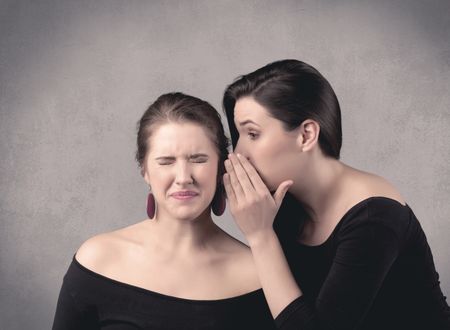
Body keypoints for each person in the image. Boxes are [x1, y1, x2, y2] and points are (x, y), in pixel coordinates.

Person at [222, 59, 450, 330]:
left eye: (253, 133)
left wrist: (260, 236)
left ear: (306, 135)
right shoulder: (285, 202)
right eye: (239, 134)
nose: (239, 153)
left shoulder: (374, 216)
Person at [52, 92, 276, 330]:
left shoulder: (258, 274)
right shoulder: (98, 258)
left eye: (198, 159)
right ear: (145, 171)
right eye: (166, 161)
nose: (183, 178)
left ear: (222, 167)